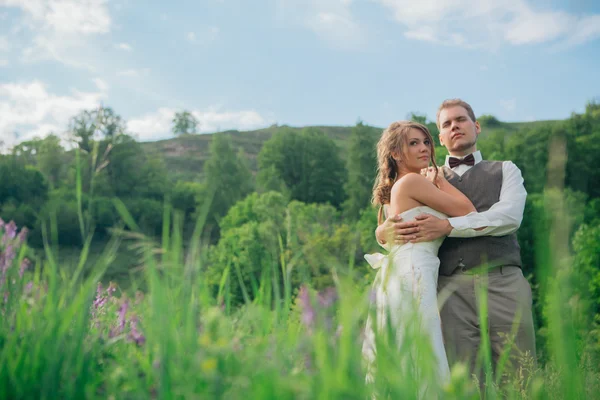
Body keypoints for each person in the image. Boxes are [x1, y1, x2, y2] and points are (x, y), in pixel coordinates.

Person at [375, 99, 537, 386]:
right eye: (446, 124)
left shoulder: (505, 169)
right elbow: (399, 228)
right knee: (462, 380)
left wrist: (448, 226)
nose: (455, 127)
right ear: (441, 137)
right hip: (448, 290)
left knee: (519, 376)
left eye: (461, 120)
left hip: (503, 283)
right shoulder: (419, 177)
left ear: (476, 126)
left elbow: (509, 217)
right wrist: (382, 232)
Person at [361, 120, 478, 392]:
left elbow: (385, 234)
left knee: (405, 345)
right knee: (422, 346)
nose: (425, 148)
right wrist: (438, 180)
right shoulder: (413, 181)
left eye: (426, 141)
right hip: (413, 273)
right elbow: (468, 211)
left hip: (402, 273)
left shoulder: (394, 190)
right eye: (414, 143)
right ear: (396, 154)